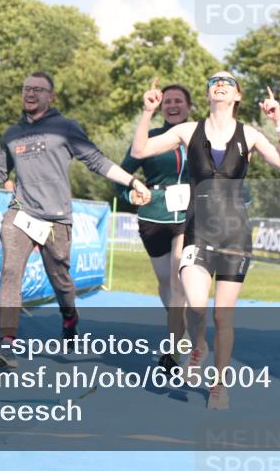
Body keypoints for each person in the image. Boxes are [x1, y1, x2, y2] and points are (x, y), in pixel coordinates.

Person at [0, 71, 151, 369]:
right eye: (26, 89)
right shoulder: (12, 134)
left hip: (56, 219)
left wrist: (133, 182)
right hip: (20, 213)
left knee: (61, 281)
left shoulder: (65, 128)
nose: (31, 94)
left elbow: (97, 161)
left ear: (52, 97)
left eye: (38, 89)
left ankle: (69, 316)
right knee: (10, 271)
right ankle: (7, 344)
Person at [130, 72, 280, 410]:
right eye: (212, 83)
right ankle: (199, 346)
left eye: (227, 83)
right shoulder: (187, 130)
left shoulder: (249, 134)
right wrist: (148, 112)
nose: (219, 84)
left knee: (223, 317)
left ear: (237, 96)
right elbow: (140, 150)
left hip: (235, 233)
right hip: (198, 229)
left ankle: (219, 385)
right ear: (207, 96)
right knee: (195, 304)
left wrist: (279, 122)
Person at [115, 83, 192, 372]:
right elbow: (120, 174)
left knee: (178, 279)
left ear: (189, 107)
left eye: (179, 101)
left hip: (190, 214)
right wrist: (130, 194)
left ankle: (176, 346)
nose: (173, 105)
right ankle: (179, 326)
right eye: (168, 101)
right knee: (165, 282)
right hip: (154, 215)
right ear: (161, 107)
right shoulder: (149, 138)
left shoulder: (201, 136)